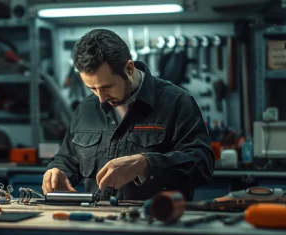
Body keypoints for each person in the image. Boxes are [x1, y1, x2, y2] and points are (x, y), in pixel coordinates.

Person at [42, 29, 214, 201]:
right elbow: (68, 157)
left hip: (159, 220)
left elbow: (202, 164)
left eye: (107, 87)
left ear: (129, 69)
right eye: (92, 89)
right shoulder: (86, 108)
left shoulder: (177, 102)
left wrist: (146, 164)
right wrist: (58, 170)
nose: (101, 98)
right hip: (100, 222)